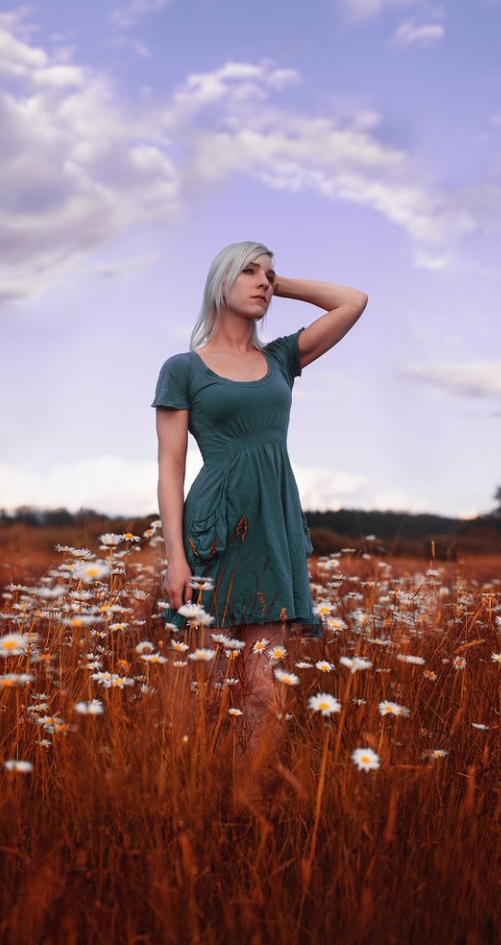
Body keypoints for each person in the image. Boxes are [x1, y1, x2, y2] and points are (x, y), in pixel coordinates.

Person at [150, 240, 367, 759]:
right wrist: (176, 557)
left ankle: (246, 808)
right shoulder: (183, 368)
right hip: (215, 528)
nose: (262, 282)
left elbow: (353, 301)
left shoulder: (281, 358)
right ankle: (197, 796)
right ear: (219, 282)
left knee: (263, 688)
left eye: (268, 275)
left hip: (274, 527)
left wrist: (282, 283)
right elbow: (170, 467)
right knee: (211, 686)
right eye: (248, 272)